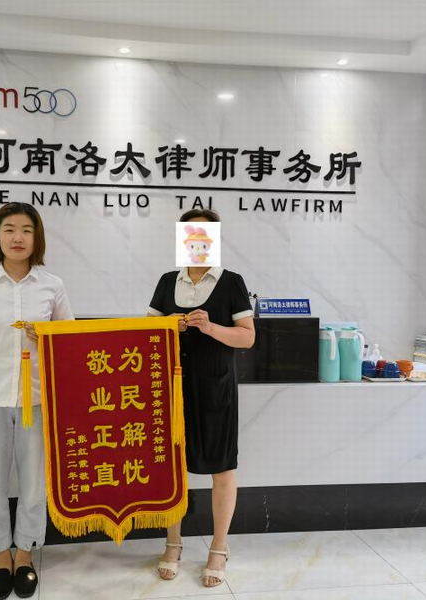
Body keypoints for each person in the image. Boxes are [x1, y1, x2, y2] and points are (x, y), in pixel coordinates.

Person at [0, 202, 73, 600]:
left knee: (35, 485)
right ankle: (0, 556)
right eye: (9, 229)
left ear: (37, 238)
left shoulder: (52, 285)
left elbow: (70, 343)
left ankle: (25, 554)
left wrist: (48, 337)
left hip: (38, 402)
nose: (17, 237)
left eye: (26, 230)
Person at [148, 208, 255, 588]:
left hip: (216, 387)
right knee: (172, 468)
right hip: (172, 389)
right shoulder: (167, 282)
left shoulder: (232, 282)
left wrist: (210, 328)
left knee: (222, 468)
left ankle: (219, 548)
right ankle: (173, 543)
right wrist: (169, 325)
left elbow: (247, 337)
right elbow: (146, 332)